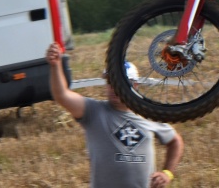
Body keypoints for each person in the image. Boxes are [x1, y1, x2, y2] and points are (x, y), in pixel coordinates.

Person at [45, 43, 184, 188]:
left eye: (120, 82)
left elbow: (175, 142)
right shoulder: (93, 111)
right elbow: (61, 95)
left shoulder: (148, 114)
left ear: (135, 85)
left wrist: (167, 173)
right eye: (110, 82)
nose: (114, 87)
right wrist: (55, 65)